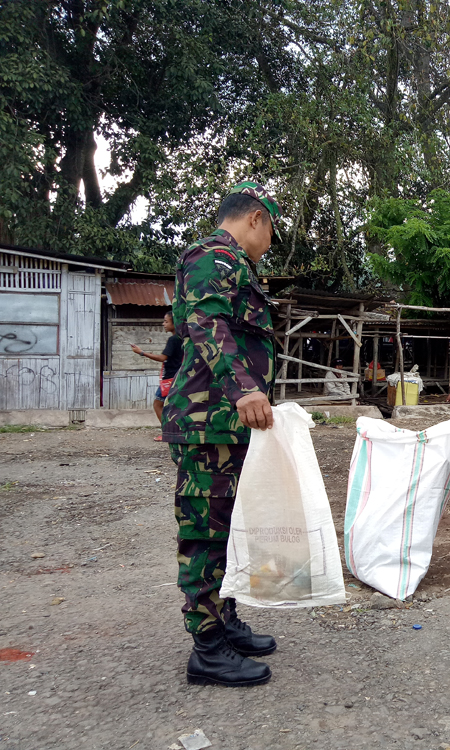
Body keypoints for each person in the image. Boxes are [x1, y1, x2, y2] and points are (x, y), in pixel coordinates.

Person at [162, 180, 283, 687]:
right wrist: (244, 390)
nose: (271, 244)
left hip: (228, 424)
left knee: (233, 530)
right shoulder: (212, 256)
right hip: (209, 421)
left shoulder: (234, 266)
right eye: (272, 230)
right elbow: (208, 326)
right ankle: (206, 649)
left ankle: (225, 622)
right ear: (255, 217)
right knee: (206, 534)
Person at [131, 311, 182, 441]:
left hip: (170, 378)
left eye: (166, 321)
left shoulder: (173, 339)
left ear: (175, 323)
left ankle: (167, 432)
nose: (163, 324)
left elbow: (162, 358)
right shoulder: (183, 339)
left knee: (158, 404)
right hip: (179, 377)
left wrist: (141, 352)